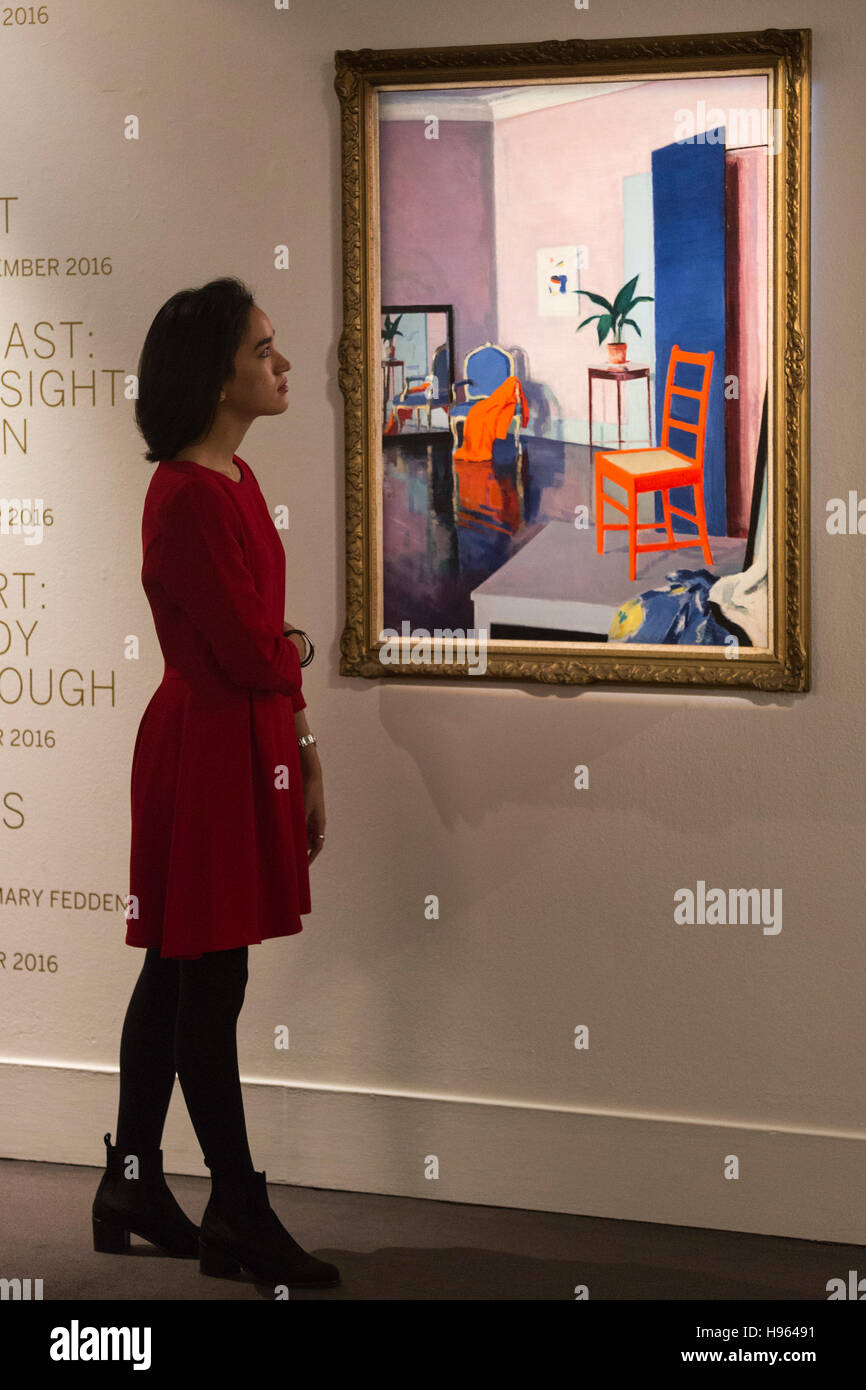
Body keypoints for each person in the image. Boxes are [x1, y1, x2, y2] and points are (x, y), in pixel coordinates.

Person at [91, 276, 340, 1291]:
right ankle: (235, 1204)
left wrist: (304, 731)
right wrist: (293, 654)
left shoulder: (227, 481)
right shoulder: (189, 494)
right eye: (262, 350)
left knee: (178, 966)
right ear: (215, 375)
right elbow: (247, 645)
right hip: (207, 745)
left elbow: (262, 645)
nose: (282, 366)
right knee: (209, 975)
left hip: (238, 734)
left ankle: (135, 1183)